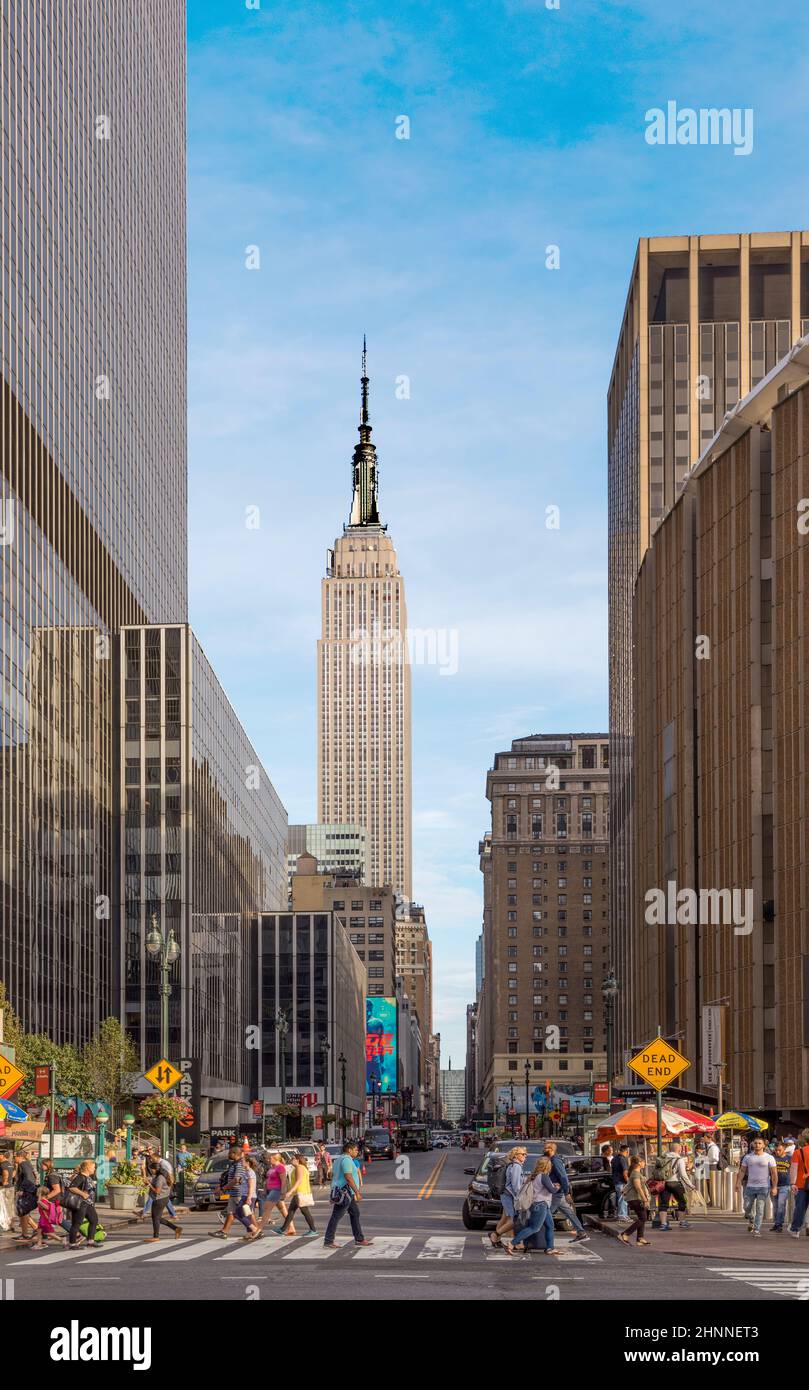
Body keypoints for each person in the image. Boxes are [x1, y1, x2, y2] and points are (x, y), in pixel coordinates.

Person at [323, 1140, 373, 1248]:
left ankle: (359, 1239)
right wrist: (357, 1192)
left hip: (342, 1191)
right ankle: (328, 1240)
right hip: (345, 1192)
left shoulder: (338, 1159)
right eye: (355, 1150)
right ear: (349, 1150)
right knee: (336, 1216)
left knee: (355, 1213)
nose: (357, 1152)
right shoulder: (346, 1160)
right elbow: (348, 1177)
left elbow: (334, 1175)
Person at [504, 1157, 558, 1256]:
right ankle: (512, 1243)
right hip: (541, 1205)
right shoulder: (544, 1176)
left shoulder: (535, 1176)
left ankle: (550, 1248)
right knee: (534, 1228)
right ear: (547, 1166)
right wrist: (557, 1187)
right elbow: (552, 1190)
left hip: (541, 1205)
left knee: (550, 1226)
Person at [544, 1141, 589, 1243]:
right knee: (569, 1212)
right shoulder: (551, 1160)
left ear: (552, 1150)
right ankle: (582, 1233)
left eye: (546, 1148)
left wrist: (566, 1192)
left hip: (557, 1192)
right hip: (557, 1192)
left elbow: (563, 1177)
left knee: (545, 1213)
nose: (544, 1150)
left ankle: (538, 1235)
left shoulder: (555, 1161)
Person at [216, 1146, 260, 1240]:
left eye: (230, 1153)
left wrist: (224, 1188)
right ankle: (224, 1232)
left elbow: (237, 1179)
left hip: (239, 1193)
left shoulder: (240, 1164)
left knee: (245, 1213)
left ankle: (256, 1231)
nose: (228, 1155)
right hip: (234, 1192)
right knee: (231, 1212)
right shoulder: (236, 1164)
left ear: (234, 1154)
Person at [737, 1135, 777, 1237]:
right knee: (746, 1207)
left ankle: (757, 1229)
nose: (757, 1145)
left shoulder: (769, 1157)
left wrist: (774, 1187)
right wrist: (738, 1183)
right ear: (752, 1144)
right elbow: (742, 1171)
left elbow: (774, 1173)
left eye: (759, 1143)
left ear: (764, 1145)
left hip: (764, 1187)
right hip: (750, 1186)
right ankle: (751, 1219)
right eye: (755, 1143)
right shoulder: (748, 1157)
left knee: (760, 1209)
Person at [489, 1145, 526, 1248]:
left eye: (525, 1154)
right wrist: (520, 1196)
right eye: (523, 1154)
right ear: (516, 1155)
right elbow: (515, 1185)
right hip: (510, 1196)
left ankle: (496, 1239)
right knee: (514, 1220)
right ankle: (495, 1235)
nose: (525, 1156)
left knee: (504, 1218)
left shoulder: (512, 1165)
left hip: (506, 1195)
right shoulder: (516, 1166)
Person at [144, 1157, 183, 1242]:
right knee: (157, 1218)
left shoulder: (160, 1178)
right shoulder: (160, 1176)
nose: (151, 1171)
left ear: (155, 1169)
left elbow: (157, 1191)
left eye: (152, 1169)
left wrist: (149, 1185)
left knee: (155, 1218)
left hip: (159, 1199)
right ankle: (176, 1229)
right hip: (163, 1198)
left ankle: (156, 1236)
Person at [279, 1152, 318, 1237]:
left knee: (305, 1212)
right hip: (298, 1192)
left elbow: (299, 1181)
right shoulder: (299, 1167)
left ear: (298, 1160)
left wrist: (290, 1192)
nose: (291, 1160)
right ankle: (282, 1229)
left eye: (293, 1158)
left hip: (300, 1193)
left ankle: (313, 1230)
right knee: (291, 1211)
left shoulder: (299, 1167)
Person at [64, 1160, 100, 1249]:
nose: (94, 1169)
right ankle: (72, 1244)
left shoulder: (88, 1178)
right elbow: (72, 1187)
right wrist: (83, 1194)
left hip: (88, 1204)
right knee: (77, 1223)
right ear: (87, 1168)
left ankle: (90, 1241)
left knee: (94, 1220)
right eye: (93, 1167)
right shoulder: (80, 1177)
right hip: (80, 1204)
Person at [661, 1141, 696, 1229]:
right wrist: (690, 1185)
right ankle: (682, 1222)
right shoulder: (679, 1160)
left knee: (663, 1204)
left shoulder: (663, 1157)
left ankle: (663, 1224)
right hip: (675, 1183)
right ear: (679, 1150)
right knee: (682, 1202)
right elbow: (683, 1175)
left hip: (663, 1183)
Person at [618, 1157, 652, 1246]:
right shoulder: (636, 1173)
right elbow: (638, 1187)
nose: (645, 1164)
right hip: (635, 1198)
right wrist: (645, 1200)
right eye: (644, 1162)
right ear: (639, 1163)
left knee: (643, 1217)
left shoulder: (636, 1173)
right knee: (643, 1218)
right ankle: (625, 1234)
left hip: (636, 1198)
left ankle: (640, 1238)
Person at [258, 1149, 288, 1231]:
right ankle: (291, 1228)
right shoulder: (273, 1167)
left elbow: (283, 1181)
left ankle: (257, 1231)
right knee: (283, 1210)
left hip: (276, 1191)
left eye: (270, 1158)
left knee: (267, 1210)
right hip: (270, 1191)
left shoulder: (280, 1167)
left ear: (275, 1159)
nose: (268, 1160)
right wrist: (265, 1188)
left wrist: (282, 1192)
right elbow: (268, 1178)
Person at [13, 1149, 39, 1240]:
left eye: (15, 1156)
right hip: (28, 1191)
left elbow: (29, 1178)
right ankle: (25, 1233)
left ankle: (35, 1229)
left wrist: (22, 1189)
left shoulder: (24, 1164)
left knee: (23, 1212)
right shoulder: (24, 1164)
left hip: (26, 1192)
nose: (14, 1158)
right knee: (22, 1213)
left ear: (20, 1157)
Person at [788, 1128, 809, 1238]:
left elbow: (794, 1169)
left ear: (805, 1140)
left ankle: (795, 1230)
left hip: (801, 1184)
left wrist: (792, 1183)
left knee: (800, 1207)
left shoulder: (798, 1152)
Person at [770, 1140, 791, 1233]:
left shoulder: (789, 1158)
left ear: (784, 1149)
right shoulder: (772, 1158)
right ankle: (776, 1223)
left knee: (781, 1205)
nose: (777, 1152)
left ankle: (779, 1224)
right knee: (775, 1206)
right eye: (776, 1150)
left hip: (785, 1185)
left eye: (780, 1150)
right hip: (774, 1185)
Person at [611, 1144, 630, 1219]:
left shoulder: (614, 1158)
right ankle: (622, 1215)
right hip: (622, 1182)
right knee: (623, 1199)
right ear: (626, 1151)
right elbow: (625, 1172)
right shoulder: (623, 1159)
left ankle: (623, 1214)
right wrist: (628, 1182)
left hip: (616, 1181)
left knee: (620, 1198)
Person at [0, 1149, 15, 1233]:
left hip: (4, 1188)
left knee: (2, 1207)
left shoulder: (2, 1165)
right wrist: (9, 1181)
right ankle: (10, 1225)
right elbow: (13, 1173)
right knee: (9, 1207)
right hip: (10, 1187)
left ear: (3, 1156)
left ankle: (4, 1226)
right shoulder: (10, 1164)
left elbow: (5, 1173)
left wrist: (5, 1181)